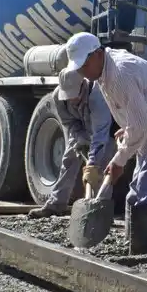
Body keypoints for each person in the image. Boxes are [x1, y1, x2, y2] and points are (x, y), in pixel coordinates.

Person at [64, 31, 147, 254]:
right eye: (78, 66)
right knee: (135, 190)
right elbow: (137, 113)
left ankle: (144, 251)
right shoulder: (102, 73)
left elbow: (141, 124)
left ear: (97, 54)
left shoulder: (120, 74)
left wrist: (119, 160)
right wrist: (129, 127)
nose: (82, 71)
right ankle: (133, 244)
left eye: (84, 64)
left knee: (144, 194)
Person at [27, 68, 112, 219]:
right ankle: (55, 205)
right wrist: (79, 138)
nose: (71, 99)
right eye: (68, 96)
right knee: (68, 160)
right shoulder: (58, 97)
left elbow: (100, 135)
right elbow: (69, 123)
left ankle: (100, 211)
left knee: (101, 168)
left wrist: (92, 162)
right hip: (83, 131)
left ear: (83, 85)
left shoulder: (97, 96)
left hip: (106, 132)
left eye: (75, 95)